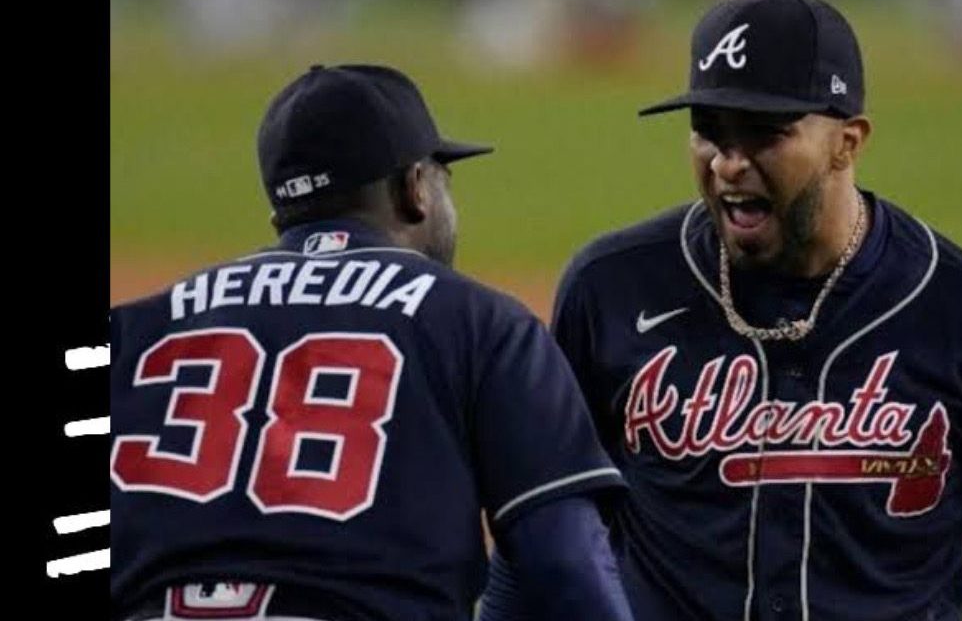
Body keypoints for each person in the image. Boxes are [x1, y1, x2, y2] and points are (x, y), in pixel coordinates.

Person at [483, 0, 962, 621]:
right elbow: (542, 535)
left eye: (764, 135)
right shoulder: (611, 289)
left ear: (848, 141)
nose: (729, 163)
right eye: (709, 134)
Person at [110, 63, 634, 621]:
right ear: (415, 190)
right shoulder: (482, 323)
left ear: (279, 214)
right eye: (442, 178)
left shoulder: (133, 326)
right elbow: (566, 566)